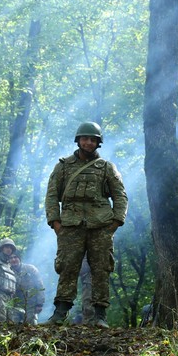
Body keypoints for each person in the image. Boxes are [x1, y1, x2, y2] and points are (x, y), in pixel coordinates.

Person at [44, 122, 128, 328]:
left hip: (100, 225)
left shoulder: (107, 167)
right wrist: (55, 222)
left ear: (98, 143)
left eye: (93, 139)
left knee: (101, 269)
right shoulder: (63, 166)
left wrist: (116, 222)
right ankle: (59, 314)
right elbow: (52, 195)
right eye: (85, 138)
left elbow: (120, 195)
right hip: (70, 225)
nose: (89, 142)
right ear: (78, 140)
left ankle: (100, 316)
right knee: (67, 267)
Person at [10, 254, 45, 324]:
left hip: (31, 304)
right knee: (13, 325)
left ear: (19, 258)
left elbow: (40, 285)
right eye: (11, 258)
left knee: (31, 325)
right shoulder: (8, 272)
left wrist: (40, 304)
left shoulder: (30, 269)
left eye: (15, 257)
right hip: (15, 304)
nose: (13, 260)